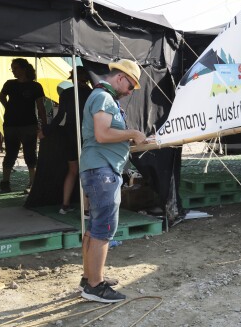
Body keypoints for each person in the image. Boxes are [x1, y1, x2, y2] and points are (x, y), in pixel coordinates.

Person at [79, 59, 146, 303]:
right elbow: (102, 133)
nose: (130, 92)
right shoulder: (104, 98)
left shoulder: (104, 98)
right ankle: (95, 286)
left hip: (100, 169)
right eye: (130, 86)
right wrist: (133, 133)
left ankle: (90, 278)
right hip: (102, 171)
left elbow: (105, 135)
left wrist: (131, 139)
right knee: (104, 228)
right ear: (120, 78)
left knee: (95, 226)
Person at [41, 66, 92, 214]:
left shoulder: (66, 93)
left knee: (73, 170)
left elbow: (59, 116)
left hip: (70, 133)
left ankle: (65, 205)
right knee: (87, 171)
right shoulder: (93, 93)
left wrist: (46, 131)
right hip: (86, 134)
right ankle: (86, 210)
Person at [0, 58, 47, 193]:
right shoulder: (9, 84)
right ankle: (5, 182)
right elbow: (1, 96)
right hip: (11, 125)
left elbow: (40, 106)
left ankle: (32, 183)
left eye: (15, 68)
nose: (13, 71)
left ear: (23, 69)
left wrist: (44, 123)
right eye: (12, 68)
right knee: (11, 153)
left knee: (30, 154)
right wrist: (7, 107)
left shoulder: (35, 86)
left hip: (28, 125)